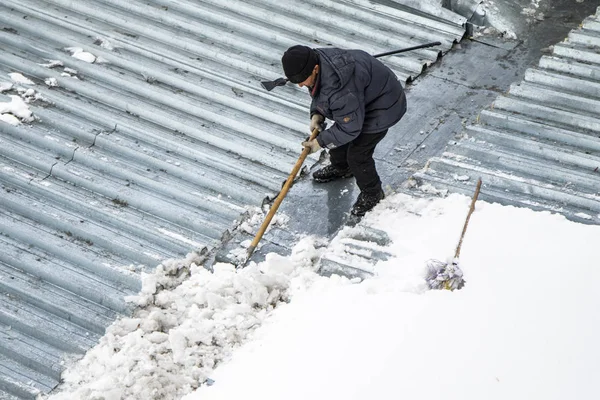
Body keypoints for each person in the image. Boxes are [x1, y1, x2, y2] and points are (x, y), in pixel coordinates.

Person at [281, 45, 407, 217]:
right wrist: (317, 112)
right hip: (363, 99)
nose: (302, 85)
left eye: (303, 80)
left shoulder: (340, 89)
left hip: (383, 106)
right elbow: (322, 94)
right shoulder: (318, 62)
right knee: (339, 137)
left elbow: (350, 128)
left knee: (357, 154)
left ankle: (373, 193)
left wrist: (320, 142)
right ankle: (342, 168)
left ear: (315, 69)